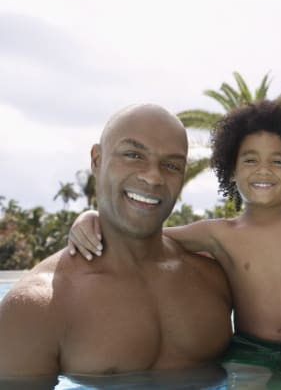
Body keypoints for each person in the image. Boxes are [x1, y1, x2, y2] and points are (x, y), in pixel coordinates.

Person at [67, 100, 281, 385]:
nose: (263, 169)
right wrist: (93, 217)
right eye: (250, 160)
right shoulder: (219, 233)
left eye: (277, 161)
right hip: (248, 352)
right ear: (231, 171)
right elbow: (149, 235)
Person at [0, 104, 233, 379]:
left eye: (171, 165)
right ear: (97, 160)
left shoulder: (214, 278)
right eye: (133, 155)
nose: (153, 176)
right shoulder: (37, 307)